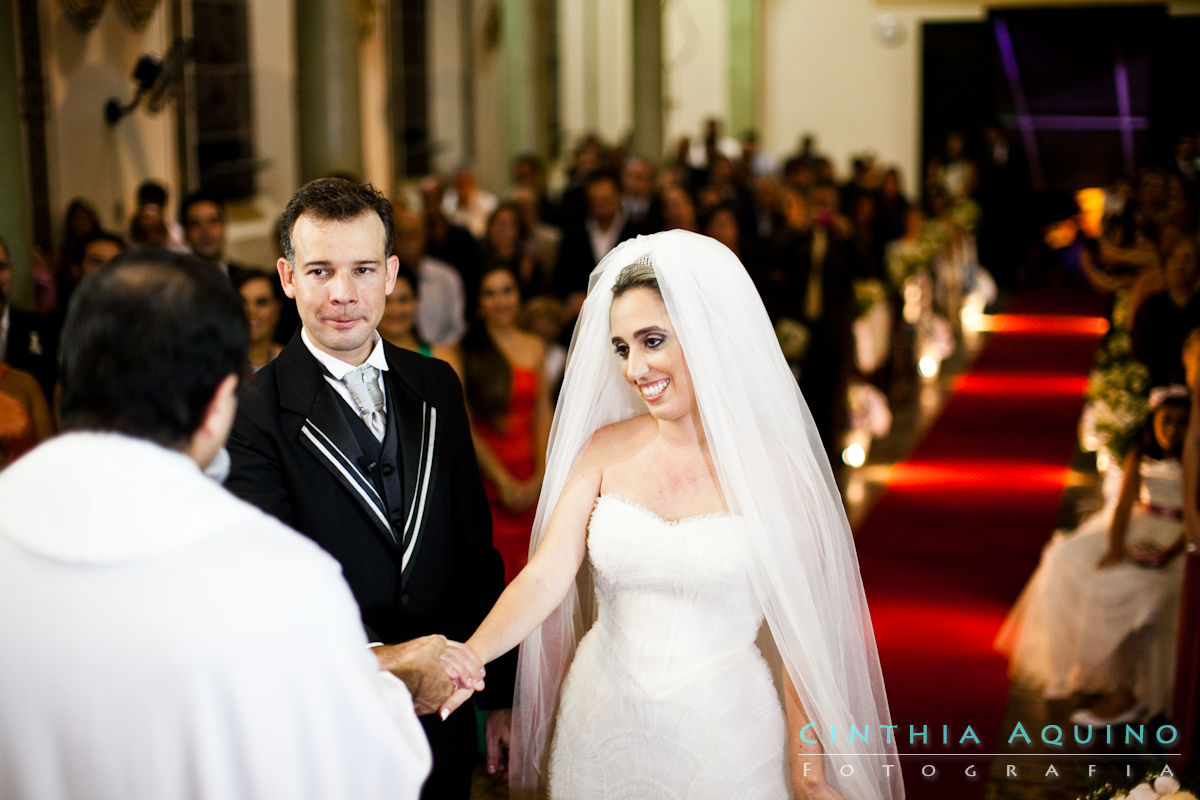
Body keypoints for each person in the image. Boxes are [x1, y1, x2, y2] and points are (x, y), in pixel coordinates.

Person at [439, 230, 903, 799]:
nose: (635, 367)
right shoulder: (604, 449)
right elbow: (544, 576)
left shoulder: (775, 470)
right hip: (601, 728)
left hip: (729, 735)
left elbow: (803, 635)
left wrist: (807, 767)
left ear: (705, 335)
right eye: (622, 348)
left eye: (652, 340)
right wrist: (470, 656)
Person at [0, 251, 448, 799]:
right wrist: (394, 685)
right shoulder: (283, 576)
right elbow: (364, 774)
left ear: (66, 388)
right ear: (220, 406)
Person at [225, 178, 513, 800]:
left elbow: (474, 553)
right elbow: (272, 588)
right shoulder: (252, 409)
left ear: (390, 272)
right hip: (327, 721)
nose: (343, 295)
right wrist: (395, 665)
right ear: (286, 277)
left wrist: (504, 698)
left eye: (361, 269)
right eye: (320, 271)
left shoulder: (437, 385)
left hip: (443, 717)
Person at [997, 387, 1191, 724]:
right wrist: (1115, 548)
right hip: (1140, 524)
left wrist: (1169, 552)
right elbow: (1123, 507)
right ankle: (1075, 668)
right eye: (1166, 420)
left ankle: (1130, 690)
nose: (1172, 429)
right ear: (1153, 421)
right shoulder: (1141, 452)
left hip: (1177, 534)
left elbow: (1193, 515)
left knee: (1142, 594)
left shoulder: (1192, 458)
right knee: (1066, 558)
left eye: (1181, 423)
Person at [458, 266, 552, 583]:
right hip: (489, 482)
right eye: (490, 293)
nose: (501, 300)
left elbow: (543, 415)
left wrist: (542, 475)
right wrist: (504, 482)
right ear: (478, 303)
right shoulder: (462, 351)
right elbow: (464, 423)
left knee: (540, 572)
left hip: (534, 474)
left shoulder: (535, 345)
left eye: (507, 290)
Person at [235, 272, 283, 373]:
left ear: (276, 309)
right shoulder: (218, 364)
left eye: (261, 302)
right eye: (243, 302)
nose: (251, 310)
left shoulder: (293, 362)